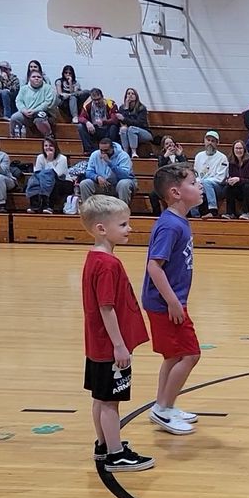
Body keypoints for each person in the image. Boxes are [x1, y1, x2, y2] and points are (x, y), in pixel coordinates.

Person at [79, 195, 155, 472]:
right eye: (123, 224)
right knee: (111, 401)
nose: (129, 229)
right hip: (110, 346)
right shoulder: (108, 265)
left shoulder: (94, 258)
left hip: (96, 344)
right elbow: (106, 308)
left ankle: (102, 444)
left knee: (100, 398)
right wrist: (120, 346)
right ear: (101, 228)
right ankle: (115, 453)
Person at [142, 163, 204, 436]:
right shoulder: (169, 226)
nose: (199, 186)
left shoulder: (178, 221)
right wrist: (173, 302)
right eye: (193, 182)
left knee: (174, 355)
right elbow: (154, 266)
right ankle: (163, 409)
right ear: (176, 192)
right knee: (190, 355)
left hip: (168, 301)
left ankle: (163, 405)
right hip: (166, 303)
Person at [78, 139, 135, 205]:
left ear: (112, 148)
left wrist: (109, 163)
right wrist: (97, 177)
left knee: (124, 183)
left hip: (117, 185)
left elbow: (125, 175)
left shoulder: (123, 156)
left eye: (106, 150)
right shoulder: (95, 154)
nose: (103, 153)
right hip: (101, 185)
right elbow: (88, 172)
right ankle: (88, 210)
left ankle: (123, 210)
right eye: (101, 150)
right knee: (85, 183)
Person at [25, 137, 71, 214]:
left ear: (55, 147)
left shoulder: (62, 158)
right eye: (46, 146)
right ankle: (34, 205)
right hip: (44, 180)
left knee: (51, 181)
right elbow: (37, 173)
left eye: (50, 145)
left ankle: (49, 206)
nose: (48, 148)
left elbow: (57, 174)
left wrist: (50, 161)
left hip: (63, 181)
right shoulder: (40, 157)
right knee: (34, 180)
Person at [192, 130, 230, 219]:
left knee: (207, 182)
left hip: (218, 187)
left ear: (217, 143)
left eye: (213, 141)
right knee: (192, 187)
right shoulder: (199, 156)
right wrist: (198, 184)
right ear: (204, 141)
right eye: (208, 140)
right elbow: (196, 174)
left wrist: (204, 183)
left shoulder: (222, 158)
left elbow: (221, 178)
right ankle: (194, 216)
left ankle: (213, 210)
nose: (210, 143)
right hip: (202, 185)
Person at [222, 140, 249, 220]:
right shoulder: (231, 163)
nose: (238, 150)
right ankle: (230, 213)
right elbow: (230, 176)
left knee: (247, 186)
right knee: (228, 187)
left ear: (244, 150)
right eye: (236, 148)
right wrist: (230, 180)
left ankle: (245, 212)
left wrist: (239, 179)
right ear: (233, 150)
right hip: (241, 189)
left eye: (240, 148)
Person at [9, 70, 56, 138]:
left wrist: (35, 111)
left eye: (39, 77)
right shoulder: (23, 89)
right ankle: (13, 137)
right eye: (33, 77)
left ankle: (49, 136)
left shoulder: (48, 88)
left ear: (42, 78)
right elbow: (19, 101)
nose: (36, 78)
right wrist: (23, 110)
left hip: (43, 113)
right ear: (29, 79)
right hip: (26, 113)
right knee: (14, 117)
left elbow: (48, 102)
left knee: (40, 117)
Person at [77, 88, 121, 153]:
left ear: (102, 97)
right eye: (94, 100)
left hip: (107, 129)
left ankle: (111, 149)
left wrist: (104, 122)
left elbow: (115, 120)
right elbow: (80, 118)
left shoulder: (110, 103)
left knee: (114, 127)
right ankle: (89, 150)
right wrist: (87, 122)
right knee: (80, 126)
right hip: (94, 129)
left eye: (98, 99)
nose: (97, 102)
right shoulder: (87, 105)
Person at [117, 88, 153, 157]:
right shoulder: (122, 108)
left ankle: (134, 152)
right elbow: (123, 123)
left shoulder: (141, 108)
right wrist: (126, 108)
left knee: (131, 128)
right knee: (123, 129)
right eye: (128, 93)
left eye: (132, 94)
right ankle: (125, 152)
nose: (130, 95)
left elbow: (139, 123)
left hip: (143, 132)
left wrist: (124, 119)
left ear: (136, 96)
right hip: (128, 133)